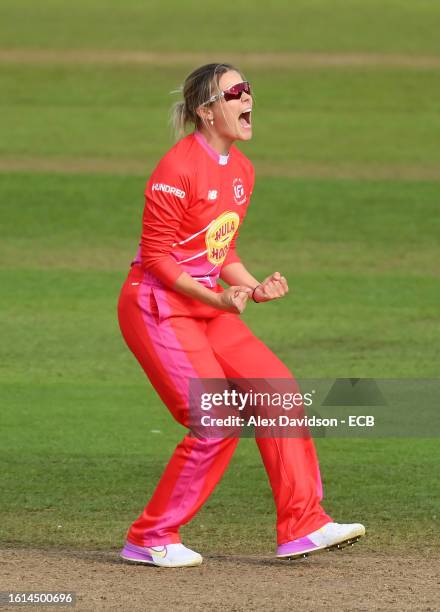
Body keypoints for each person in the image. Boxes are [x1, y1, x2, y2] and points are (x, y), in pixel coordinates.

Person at [117, 63, 365, 568]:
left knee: (277, 391)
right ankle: (151, 535)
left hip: (207, 304)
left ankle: (303, 524)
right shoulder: (177, 169)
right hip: (160, 307)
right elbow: (159, 257)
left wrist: (252, 286)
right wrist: (217, 299)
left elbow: (218, 250)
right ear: (206, 111)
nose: (248, 96)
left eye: (248, 88)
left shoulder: (242, 170)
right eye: (235, 91)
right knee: (217, 418)